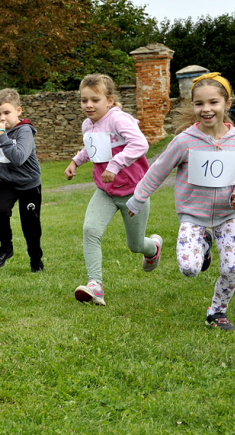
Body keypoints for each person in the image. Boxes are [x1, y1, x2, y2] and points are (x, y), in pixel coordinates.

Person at [126, 72, 235, 331]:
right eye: (199, 103)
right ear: (192, 105)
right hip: (193, 217)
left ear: (227, 104)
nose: (206, 109)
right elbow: (158, 170)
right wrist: (137, 199)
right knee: (189, 269)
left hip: (227, 216)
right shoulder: (184, 141)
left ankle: (217, 312)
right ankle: (204, 244)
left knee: (231, 268)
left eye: (213, 102)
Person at [63, 74, 159, 306]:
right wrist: (76, 161)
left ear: (110, 100)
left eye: (95, 100)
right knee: (90, 230)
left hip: (134, 193)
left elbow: (141, 144)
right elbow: (91, 149)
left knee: (135, 245)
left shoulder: (119, 120)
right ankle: (95, 284)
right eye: (84, 100)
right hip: (105, 191)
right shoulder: (88, 124)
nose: (88, 105)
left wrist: (115, 165)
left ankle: (153, 247)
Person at [0, 89, 44, 271]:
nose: (2, 118)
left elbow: (18, 158)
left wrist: (1, 136)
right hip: (5, 182)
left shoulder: (25, 131)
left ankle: (35, 260)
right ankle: (6, 247)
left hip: (28, 183)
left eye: (7, 113)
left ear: (18, 111)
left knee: (30, 225)